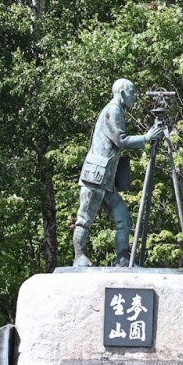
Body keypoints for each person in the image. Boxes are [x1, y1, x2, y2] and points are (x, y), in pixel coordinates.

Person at [72, 78, 164, 266]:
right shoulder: (113, 110)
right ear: (122, 94)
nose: (135, 98)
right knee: (84, 219)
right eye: (133, 93)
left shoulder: (118, 110)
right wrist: (147, 137)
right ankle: (79, 257)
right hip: (95, 177)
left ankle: (122, 259)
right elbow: (120, 140)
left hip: (107, 180)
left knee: (124, 220)